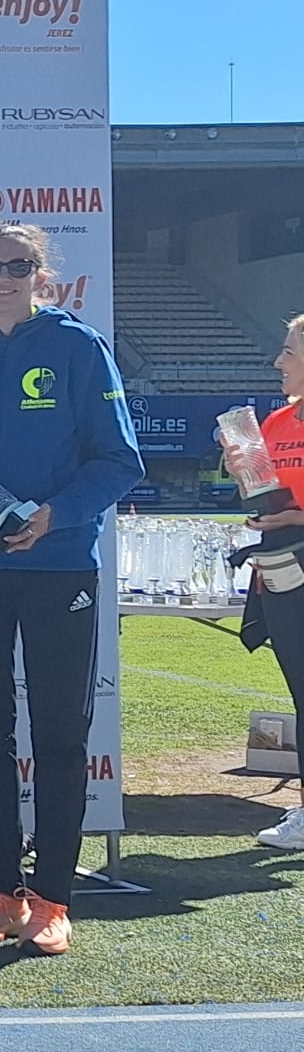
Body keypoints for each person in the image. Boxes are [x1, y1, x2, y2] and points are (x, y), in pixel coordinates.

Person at [0, 222, 142, 955]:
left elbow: (119, 460)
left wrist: (54, 515)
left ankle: (55, 898)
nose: (4, 276)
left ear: (43, 275)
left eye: (19, 265)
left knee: (60, 735)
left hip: (59, 565)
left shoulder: (79, 347)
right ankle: (1, 891)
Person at [228, 315, 304, 850]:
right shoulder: (275, 424)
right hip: (281, 572)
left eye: (290, 353)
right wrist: (244, 475)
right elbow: (264, 498)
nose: (279, 362)